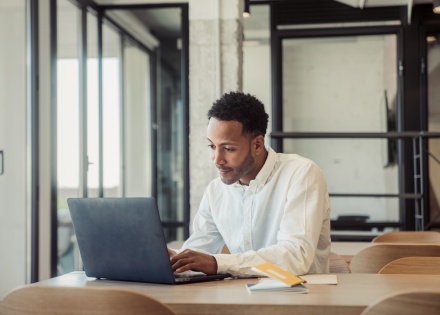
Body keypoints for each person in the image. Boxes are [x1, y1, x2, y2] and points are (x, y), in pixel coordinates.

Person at [168, 91, 331, 277]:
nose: (216, 159)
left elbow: (296, 256)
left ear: (257, 144)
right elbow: (198, 250)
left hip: (299, 298)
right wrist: (175, 260)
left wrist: (216, 262)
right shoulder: (215, 190)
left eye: (228, 149)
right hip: (240, 297)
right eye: (212, 146)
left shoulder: (302, 174)